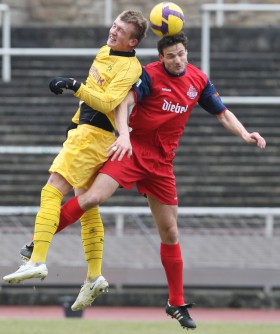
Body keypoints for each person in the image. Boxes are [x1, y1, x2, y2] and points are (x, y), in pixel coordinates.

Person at [5, 32, 266, 329]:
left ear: (186, 52)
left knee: (170, 232)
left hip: (162, 163)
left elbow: (223, 113)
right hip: (132, 151)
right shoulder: (150, 76)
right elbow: (122, 104)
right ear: (161, 58)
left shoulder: (198, 80)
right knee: (92, 198)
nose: (177, 59)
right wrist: (125, 137)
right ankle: (38, 243)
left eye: (181, 53)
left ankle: (176, 303)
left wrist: (246, 134)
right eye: (171, 56)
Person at [3, 9, 148, 311]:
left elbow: (108, 102)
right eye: (115, 25)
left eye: (121, 30)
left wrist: (73, 84)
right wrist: (74, 121)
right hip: (85, 130)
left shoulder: (130, 68)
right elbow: (91, 94)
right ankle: (94, 276)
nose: (113, 31)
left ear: (133, 40)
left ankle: (37, 260)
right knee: (86, 202)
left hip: (95, 137)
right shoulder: (104, 50)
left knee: (52, 189)